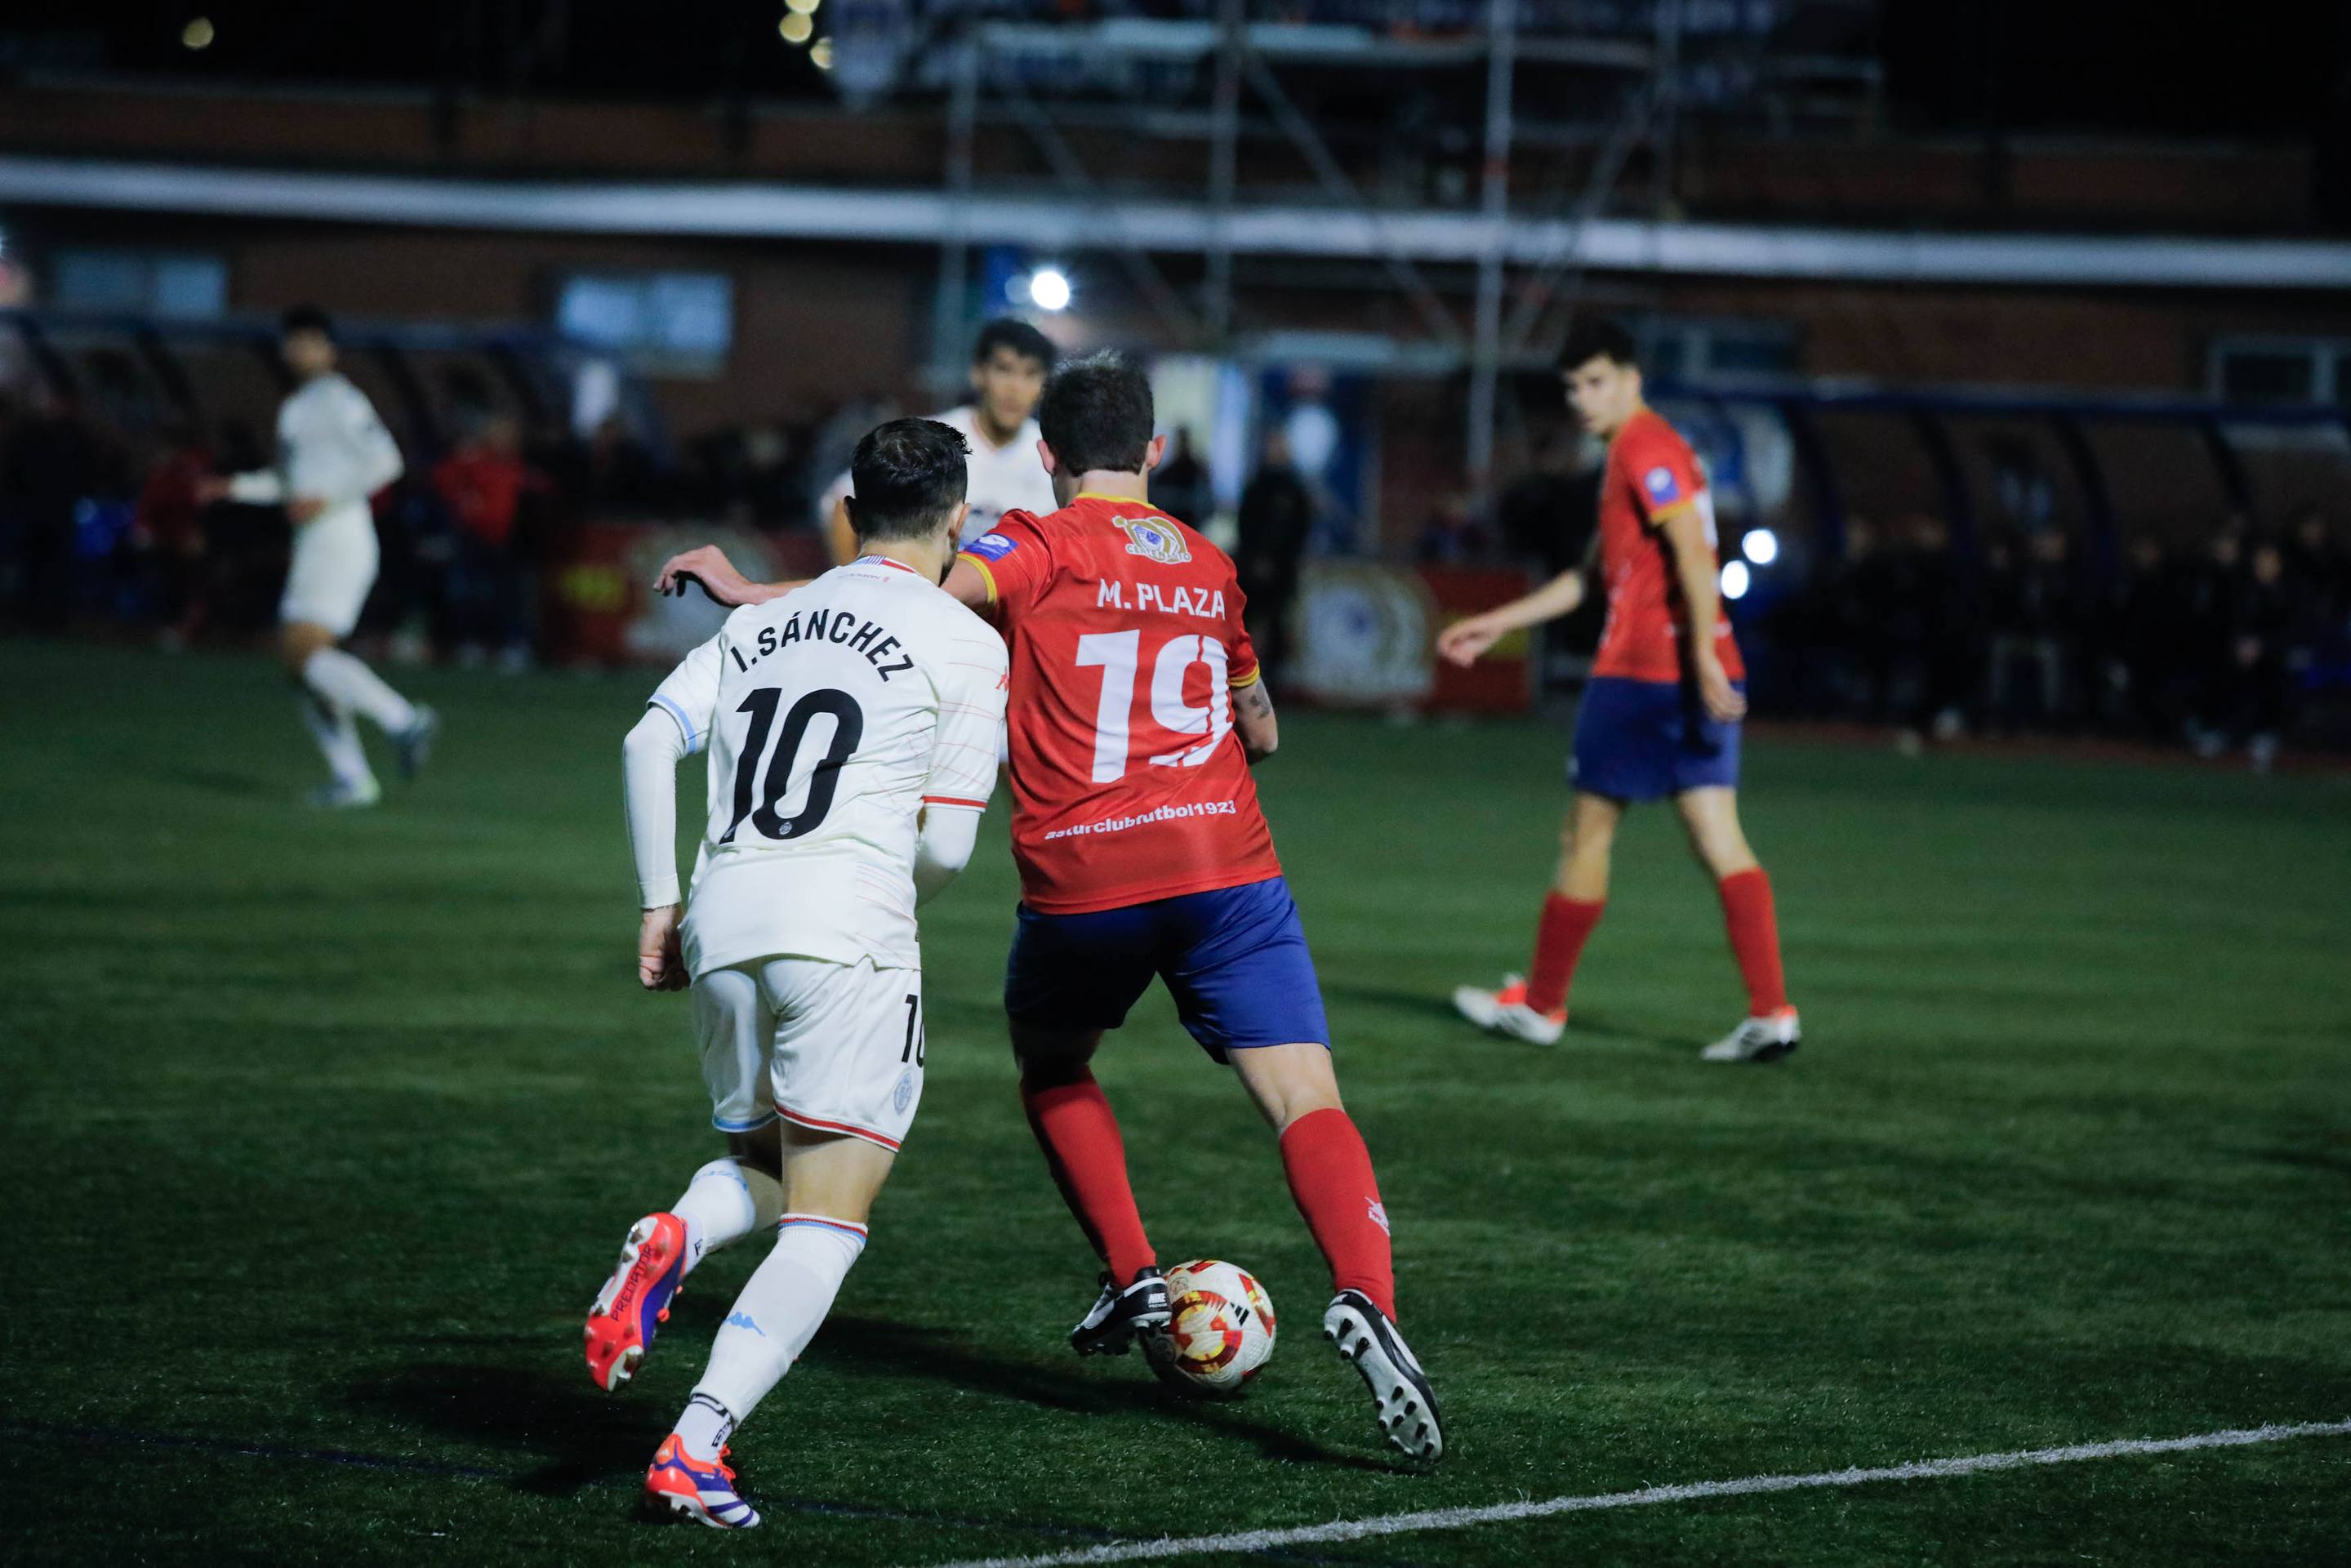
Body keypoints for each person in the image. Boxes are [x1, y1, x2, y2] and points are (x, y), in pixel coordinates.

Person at [649, 352, 1445, 1463]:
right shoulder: (1209, 567)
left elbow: (895, 590)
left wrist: (747, 594)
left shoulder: (1027, 544)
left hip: (1084, 876)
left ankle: (1130, 1276)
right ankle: (1368, 1296)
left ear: (1051, 457)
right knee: (1304, 1096)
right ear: (1154, 453)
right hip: (1226, 868)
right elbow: (1258, 730)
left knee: (1057, 1070)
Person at [585, 418, 1009, 1530]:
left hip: (722, 922)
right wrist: (866, 905)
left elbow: (643, 743)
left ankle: (677, 1235)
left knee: (767, 1158)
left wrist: (658, 901)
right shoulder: (967, 643)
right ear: (958, 520)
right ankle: (694, 1447)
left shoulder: (769, 620)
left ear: (849, 512)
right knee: (829, 1215)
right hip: (847, 930)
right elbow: (952, 848)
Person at [1439, 320, 1797, 1064]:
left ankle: (1539, 1007)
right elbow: (1588, 579)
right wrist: (1495, 624)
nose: (1580, 398)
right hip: (1694, 669)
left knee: (1585, 835)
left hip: (1644, 674)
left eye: (1595, 381)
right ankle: (1771, 1012)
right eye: (1572, 386)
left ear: (1633, 379)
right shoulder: (1644, 449)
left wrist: (1695, 647)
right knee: (1716, 836)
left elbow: (1695, 554)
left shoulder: (1640, 447)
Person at [195, 306, 437, 807]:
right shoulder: (297, 407)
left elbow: (385, 460)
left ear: (329, 349)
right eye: (293, 343)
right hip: (314, 542)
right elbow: (290, 485)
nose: (298, 352)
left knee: (302, 652)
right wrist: (233, 487)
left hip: (341, 537)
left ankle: (404, 720)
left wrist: (328, 499)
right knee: (297, 663)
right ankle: (353, 779)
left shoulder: (340, 399)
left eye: (309, 342)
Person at [815, 318, 1058, 563]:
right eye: (1004, 369)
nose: (1015, 387)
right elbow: (843, 498)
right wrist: (851, 580)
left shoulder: (1056, 456)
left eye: (1030, 374)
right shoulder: (931, 439)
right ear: (978, 373)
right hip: (926, 598)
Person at [1234, 430, 1315, 685]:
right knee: (1250, 622)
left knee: (1279, 621)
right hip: (1255, 566)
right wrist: (1256, 558)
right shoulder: (1257, 487)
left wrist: (1282, 558)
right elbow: (1245, 524)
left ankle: (1275, 677)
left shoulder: (1293, 489)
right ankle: (1247, 676)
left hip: (1283, 567)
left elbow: (1301, 527)